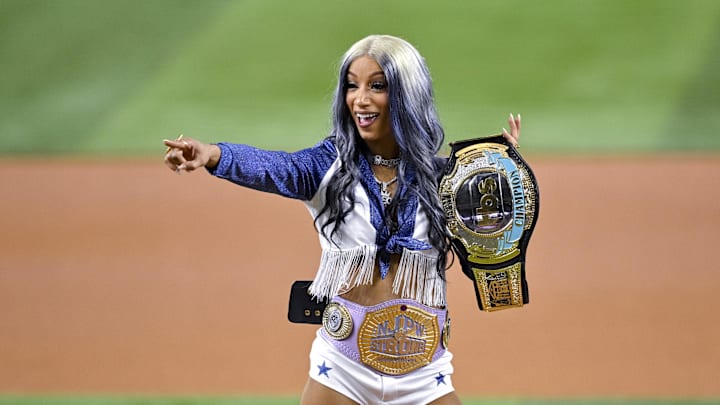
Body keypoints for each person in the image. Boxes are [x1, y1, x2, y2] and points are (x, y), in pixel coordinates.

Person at [164, 34, 520, 405]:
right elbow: (273, 168)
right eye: (352, 85)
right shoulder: (326, 167)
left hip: (426, 374)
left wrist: (497, 182)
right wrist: (213, 155)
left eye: (377, 86)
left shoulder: (447, 180)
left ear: (407, 94)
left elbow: (489, 256)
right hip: (341, 374)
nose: (360, 99)